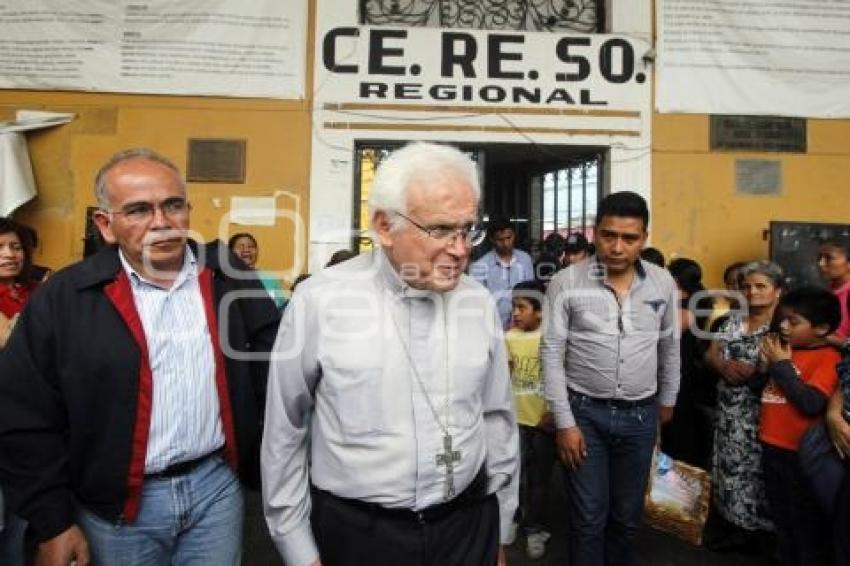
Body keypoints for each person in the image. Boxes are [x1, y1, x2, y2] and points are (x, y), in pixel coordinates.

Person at [0, 148, 281, 566]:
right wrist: (53, 522)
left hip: (215, 492)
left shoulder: (227, 279)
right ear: (105, 224)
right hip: (115, 509)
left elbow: (275, 362)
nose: (161, 222)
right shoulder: (66, 298)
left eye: (173, 205)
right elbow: (23, 413)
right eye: (138, 210)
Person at [262, 142, 519, 566]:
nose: (460, 249)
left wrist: (499, 527)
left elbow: (497, 419)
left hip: (468, 527)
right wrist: (297, 546)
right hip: (359, 535)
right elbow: (284, 430)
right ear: (384, 226)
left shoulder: (478, 303)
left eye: (468, 229)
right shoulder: (319, 302)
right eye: (440, 230)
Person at [541, 190, 680, 566]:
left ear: (644, 239)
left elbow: (670, 345)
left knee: (627, 517)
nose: (617, 247)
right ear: (596, 233)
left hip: (641, 417)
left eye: (629, 238)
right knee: (588, 518)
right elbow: (551, 353)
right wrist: (565, 422)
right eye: (608, 235)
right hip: (584, 416)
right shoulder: (567, 282)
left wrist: (667, 400)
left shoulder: (663, 283)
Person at [758, 287, 841, 566]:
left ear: (822, 328)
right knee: (781, 520)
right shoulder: (785, 351)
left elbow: (810, 403)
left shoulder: (829, 358)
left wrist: (781, 366)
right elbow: (760, 390)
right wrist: (764, 366)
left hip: (799, 455)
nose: (783, 326)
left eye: (793, 322)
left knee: (805, 527)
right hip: (772, 447)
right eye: (783, 319)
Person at [704, 260, 783, 552]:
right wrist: (723, 365)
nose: (752, 292)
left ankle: (763, 534)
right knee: (730, 469)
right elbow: (711, 354)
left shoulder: (783, 326)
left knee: (759, 473)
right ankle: (735, 527)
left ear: (777, 291)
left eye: (761, 286)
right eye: (747, 286)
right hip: (730, 412)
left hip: (765, 415)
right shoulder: (732, 320)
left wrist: (761, 372)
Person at [0, 218, 40, 566]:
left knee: (22, 519)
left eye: (15, 247)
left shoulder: (32, 293)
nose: (9, 254)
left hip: (30, 421)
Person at [505, 279, 554, 560]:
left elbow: (561, 378)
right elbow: (505, 378)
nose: (516, 313)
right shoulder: (509, 337)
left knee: (540, 479)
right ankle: (514, 519)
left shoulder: (551, 338)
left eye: (521, 307)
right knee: (517, 476)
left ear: (540, 311)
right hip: (517, 421)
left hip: (544, 423)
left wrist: (554, 412)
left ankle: (535, 528)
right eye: (514, 307)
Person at [662, 257, 714, 468]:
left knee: (676, 431)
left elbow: (663, 336)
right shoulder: (691, 302)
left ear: (675, 279)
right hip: (681, 373)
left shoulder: (684, 309)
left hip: (679, 375)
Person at [470, 216, 534, 329]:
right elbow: (478, 303)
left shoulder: (525, 260)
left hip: (522, 327)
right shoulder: (480, 266)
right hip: (493, 328)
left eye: (509, 238)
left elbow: (531, 294)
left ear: (514, 235)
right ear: (492, 240)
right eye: (500, 240)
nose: (505, 243)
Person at [228, 232, 287, 310]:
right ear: (230, 252)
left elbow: (282, 309)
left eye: (251, 246)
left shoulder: (269, 279)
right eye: (240, 246)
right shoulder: (225, 279)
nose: (246, 250)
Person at [817, 237, 850, 347]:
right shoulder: (826, 293)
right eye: (819, 258)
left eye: (829, 258)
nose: (821, 264)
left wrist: (818, 335)